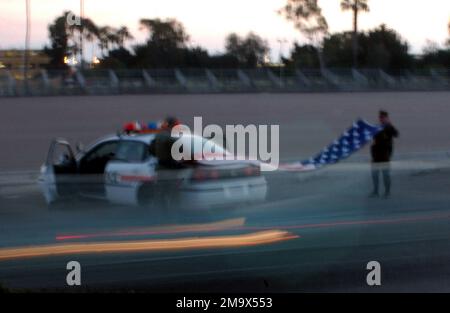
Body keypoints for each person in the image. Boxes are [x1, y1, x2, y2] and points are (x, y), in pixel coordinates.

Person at [370, 110, 399, 198]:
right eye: (380, 117)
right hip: (376, 154)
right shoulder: (377, 127)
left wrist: (388, 125)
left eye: (383, 117)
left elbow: (396, 134)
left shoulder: (389, 127)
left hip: (385, 154)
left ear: (386, 118)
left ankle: (387, 192)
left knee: (385, 174)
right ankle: (376, 191)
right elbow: (371, 136)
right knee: (375, 174)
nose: (381, 119)